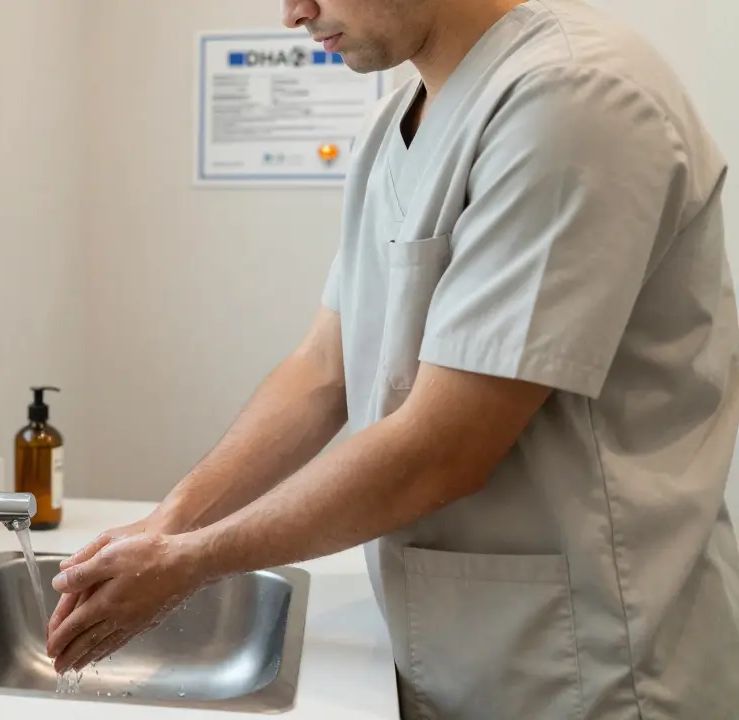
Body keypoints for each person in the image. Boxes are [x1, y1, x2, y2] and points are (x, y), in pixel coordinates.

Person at [45, 0, 739, 717]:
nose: (294, 14)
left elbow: (446, 447)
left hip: (594, 665)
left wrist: (190, 563)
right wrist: (170, 524)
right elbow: (323, 369)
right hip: (464, 648)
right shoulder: (399, 121)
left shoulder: (576, 98)